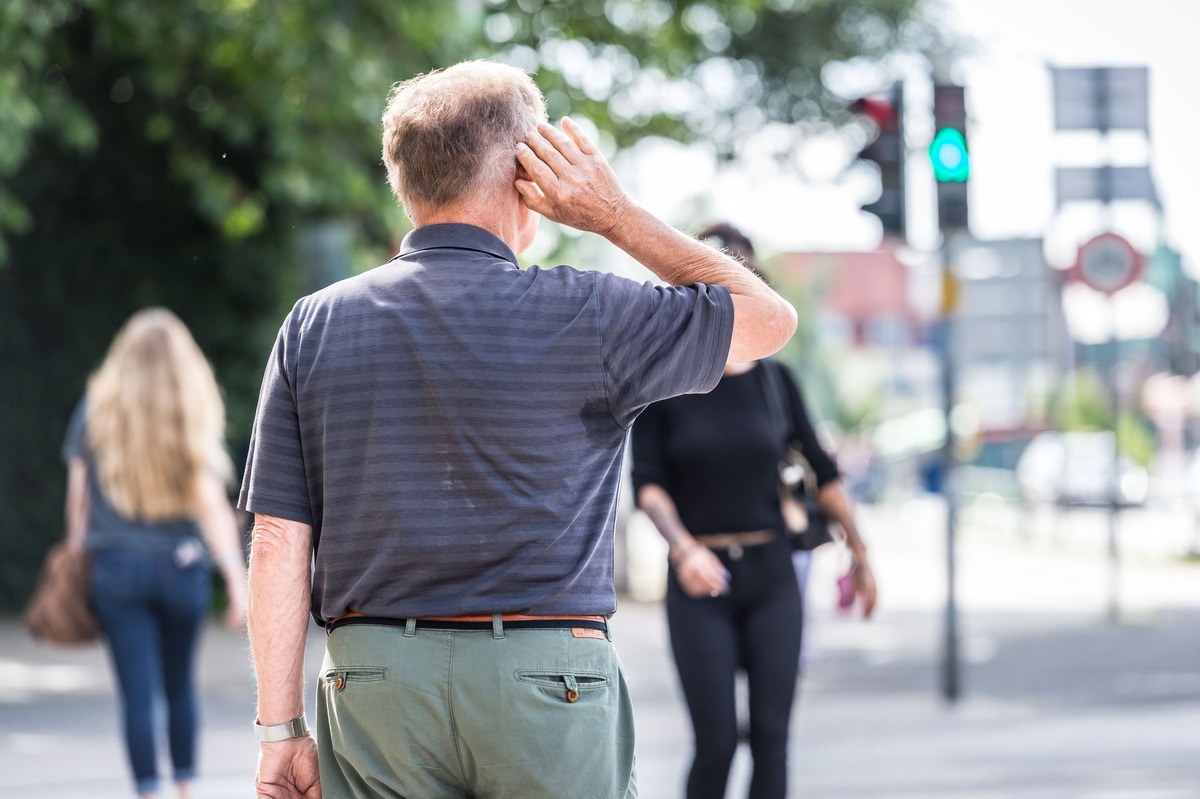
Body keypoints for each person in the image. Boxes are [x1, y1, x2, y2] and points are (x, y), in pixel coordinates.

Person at [239, 60, 796, 799]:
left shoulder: (314, 325)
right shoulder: (593, 315)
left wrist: (281, 731)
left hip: (375, 679)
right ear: (526, 173)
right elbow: (767, 321)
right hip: (546, 676)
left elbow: (278, 540)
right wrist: (614, 215)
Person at [630, 222, 876, 799]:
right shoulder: (666, 382)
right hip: (699, 581)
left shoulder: (775, 380)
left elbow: (824, 471)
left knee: (771, 738)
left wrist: (861, 554)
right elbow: (648, 485)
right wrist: (682, 547)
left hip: (772, 576)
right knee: (715, 744)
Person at [62, 308, 248, 799]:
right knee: (180, 686)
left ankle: (150, 792)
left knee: (137, 694)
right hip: (180, 567)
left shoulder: (95, 410)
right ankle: (186, 789)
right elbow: (209, 503)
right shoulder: (187, 411)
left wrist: (77, 557)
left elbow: (78, 501)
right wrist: (235, 577)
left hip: (115, 568)